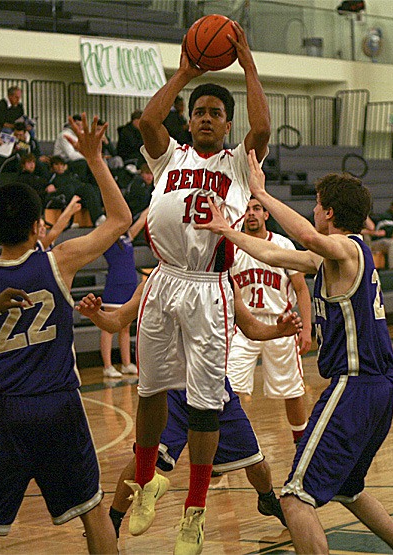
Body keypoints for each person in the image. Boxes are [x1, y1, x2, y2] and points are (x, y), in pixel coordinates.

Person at [195, 153, 393, 555]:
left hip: (356, 385)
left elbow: (310, 239)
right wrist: (227, 231)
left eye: (316, 204)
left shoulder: (346, 249)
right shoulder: (334, 257)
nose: (312, 210)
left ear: (328, 212)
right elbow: (274, 255)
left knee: (294, 498)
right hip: (378, 390)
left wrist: (261, 191)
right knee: (350, 490)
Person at [132, 20, 270, 554]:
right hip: (165, 281)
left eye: (215, 113)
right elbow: (147, 119)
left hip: (209, 286)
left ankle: (194, 512)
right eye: (199, 112)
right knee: (149, 390)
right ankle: (147, 483)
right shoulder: (171, 156)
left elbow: (260, 129)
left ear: (226, 123)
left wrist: (248, 65)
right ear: (189, 121)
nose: (206, 118)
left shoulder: (238, 164)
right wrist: (187, 71)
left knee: (206, 403)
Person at [0, 113, 132, 553]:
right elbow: (120, 218)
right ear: (38, 226)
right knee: (91, 511)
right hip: (57, 406)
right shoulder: (58, 260)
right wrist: (94, 158)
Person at [75, 282, 303, 538]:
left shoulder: (226, 283)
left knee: (256, 463)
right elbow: (116, 320)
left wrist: (278, 331)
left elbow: (250, 327)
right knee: (143, 458)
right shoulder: (158, 281)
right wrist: (95, 314)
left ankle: (267, 499)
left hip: (213, 385)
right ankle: (114, 520)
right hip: (171, 387)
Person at [228, 197, 312, 445]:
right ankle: (231, 445)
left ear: (266, 214)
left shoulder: (283, 244)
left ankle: (302, 442)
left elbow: (301, 289)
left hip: (282, 324)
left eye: (256, 209)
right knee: (230, 388)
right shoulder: (232, 245)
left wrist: (306, 328)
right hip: (243, 325)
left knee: (292, 389)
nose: (251, 214)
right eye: (246, 210)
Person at [100, 217, 146, 378]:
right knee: (109, 327)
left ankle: (126, 363)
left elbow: (141, 221)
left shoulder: (127, 237)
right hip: (115, 286)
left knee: (126, 327)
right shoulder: (107, 240)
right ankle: (107, 366)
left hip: (130, 286)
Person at [47, 155, 105, 227]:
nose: (59, 167)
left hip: (78, 196)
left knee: (91, 188)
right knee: (71, 189)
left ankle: (99, 217)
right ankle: (69, 220)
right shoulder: (52, 177)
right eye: (56, 165)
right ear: (52, 167)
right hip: (65, 197)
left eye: (61, 165)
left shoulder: (70, 175)